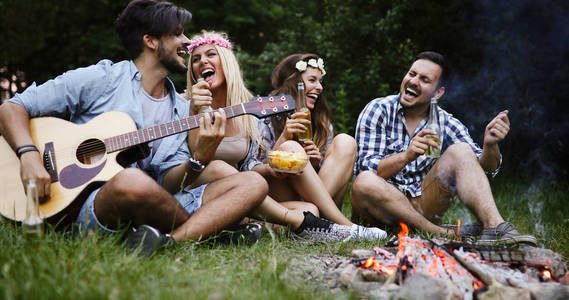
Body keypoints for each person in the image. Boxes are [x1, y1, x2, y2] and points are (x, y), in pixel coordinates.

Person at [0, 0, 268, 255]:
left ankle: (169, 241)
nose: (187, 42)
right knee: (131, 180)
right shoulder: (103, 78)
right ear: (150, 41)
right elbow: (12, 107)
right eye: (178, 34)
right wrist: (29, 156)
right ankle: (210, 232)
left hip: (154, 203)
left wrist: (199, 158)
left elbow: (169, 181)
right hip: (84, 204)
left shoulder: (180, 109)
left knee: (254, 182)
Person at [186, 30, 386, 242]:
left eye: (210, 55)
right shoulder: (184, 106)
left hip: (252, 190)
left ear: (227, 63)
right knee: (228, 167)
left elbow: (251, 166)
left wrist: (309, 163)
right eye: (196, 59)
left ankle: (257, 225)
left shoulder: (250, 111)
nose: (202, 62)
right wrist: (284, 141)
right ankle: (346, 228)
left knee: (310, 209)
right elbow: (181, 161)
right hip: (209, 191)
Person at [351, 51, 537, 246]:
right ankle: (440, 232)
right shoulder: (378, 110)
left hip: (421, 206)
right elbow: (367, 171)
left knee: (462, 150)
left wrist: (490, 145)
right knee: (365, 181)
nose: (413, 81)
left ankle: (495, 227)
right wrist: (407, 156)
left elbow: (484, 168)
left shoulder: (444, 122)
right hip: (376, 214)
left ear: (438, 92)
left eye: (424, 80)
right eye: (412, 74)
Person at [262, 54, 356, 210]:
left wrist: (314, 165)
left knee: (346, 141)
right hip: (282, 199)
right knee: (290, 146)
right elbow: (256, 169)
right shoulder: (264, 117)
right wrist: (284, 137)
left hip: (311, 200)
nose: (320, 87)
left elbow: (332, 174)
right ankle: (318, 219)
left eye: (320, 82)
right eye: (312, 80)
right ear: (293, 84)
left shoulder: (322, 123)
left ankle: (316, 219)